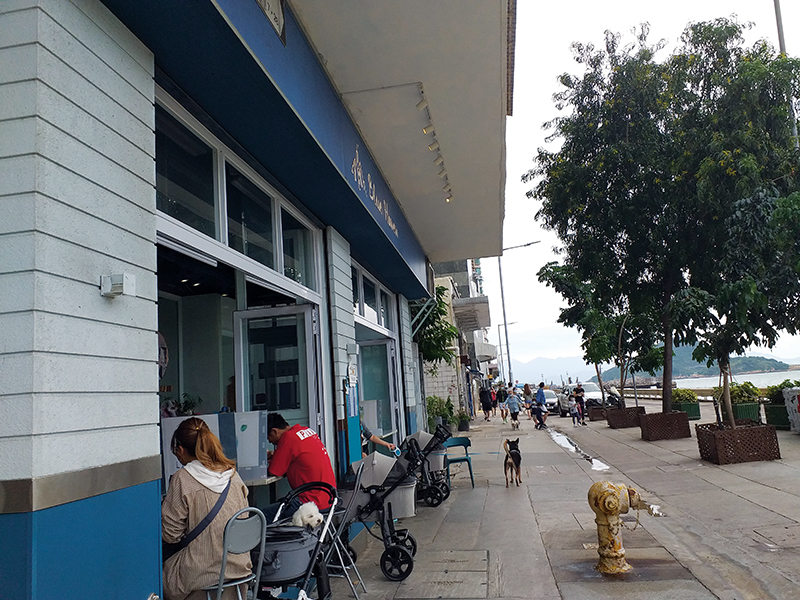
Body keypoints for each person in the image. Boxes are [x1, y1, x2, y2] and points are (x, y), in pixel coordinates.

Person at [162, 417, 252, 600]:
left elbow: (170, 535)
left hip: (201, 575)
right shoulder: (233, 475)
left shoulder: (182, 478)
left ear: (180, 450)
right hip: (239, 570)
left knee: (155, 578)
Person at [265, 413, 337, 523]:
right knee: (280, 503)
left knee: (260, 516)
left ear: (274, 431)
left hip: (310, 503)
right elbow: (301, 455)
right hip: (329, 498)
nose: (270, 441)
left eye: (269, 437)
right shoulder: (306, 431)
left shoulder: (288, 438)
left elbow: (274, 471)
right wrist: (276, 454)